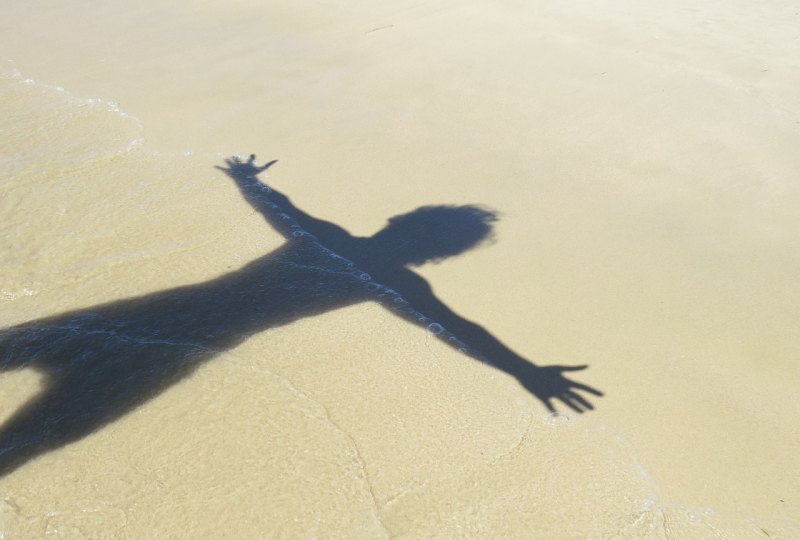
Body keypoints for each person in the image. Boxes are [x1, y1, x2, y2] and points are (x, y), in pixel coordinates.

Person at [0, 154, 600, 475]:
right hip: (178, 348)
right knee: (25, 441)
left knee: (20, 396)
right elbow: (458, 331)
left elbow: (276, 207)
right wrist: (524, 371)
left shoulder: (331, 242)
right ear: (434, 253)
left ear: (406, 224)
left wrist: (247, 179)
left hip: (153, 317)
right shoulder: (392, 282)